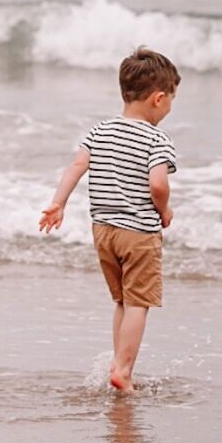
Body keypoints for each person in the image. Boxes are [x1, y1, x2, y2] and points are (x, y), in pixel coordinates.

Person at [40, 47, 180, 392]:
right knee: (139, 302)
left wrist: (58, 203)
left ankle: (118, 363)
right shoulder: (157, 138)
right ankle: (124, 370)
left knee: (121, 300)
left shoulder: (100, 131)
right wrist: (164, 210)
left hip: (103, 230)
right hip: (139, 232)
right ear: (159, 99)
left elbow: (76, 166)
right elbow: (158, 184)